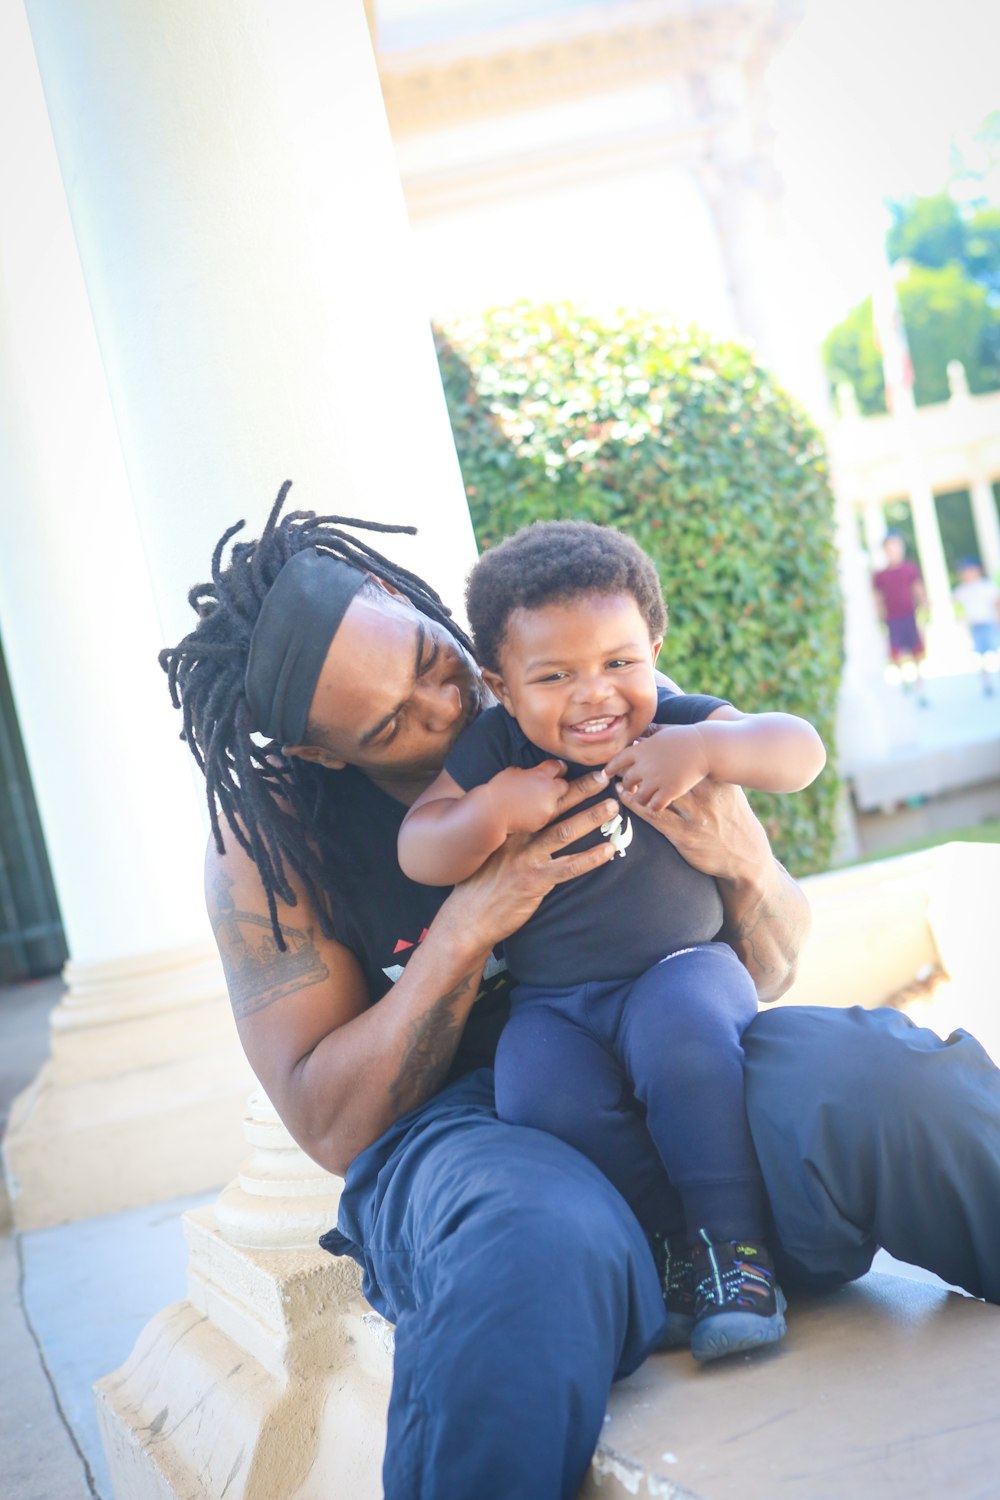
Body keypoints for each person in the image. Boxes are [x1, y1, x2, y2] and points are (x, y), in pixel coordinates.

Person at [161, 484, 1000, 1500]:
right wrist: (471, 922)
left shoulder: (574, 689)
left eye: (434, 661)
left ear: (406, 596)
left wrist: (746, 866)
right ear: (319, 751)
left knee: (890, 1081)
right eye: (391, 723)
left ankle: (718, 1254)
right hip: (483, 1129)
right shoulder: (267, 851)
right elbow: (332, 1124)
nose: (450, 704)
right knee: (528, 1249)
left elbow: (769, 964)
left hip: (674, 1055)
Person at [398, 521, 826, 1362]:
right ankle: (673, 1253)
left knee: (684, 1045)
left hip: (682, 968)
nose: (595, 693)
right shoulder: (497, 750)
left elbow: (800, 750)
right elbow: (420, 843)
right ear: (502, 685)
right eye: (554, 676)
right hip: (555, 1003)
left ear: (654, 649)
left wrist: (705, 747)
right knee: (534, 1092)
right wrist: (487, 812)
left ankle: (733, 1249)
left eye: (619, 663)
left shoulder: (676, 725)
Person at [873, 531, 928, 703]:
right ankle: (904, 680)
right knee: (895, 653)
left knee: (917, 652)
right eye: (889, 547)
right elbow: (878, 598)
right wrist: (879, 618)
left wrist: (925, 606)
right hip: (892, 618)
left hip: (909, 615)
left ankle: (920, 686)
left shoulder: (909, 568)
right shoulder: (880, 575)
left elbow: (917, 588)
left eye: (896, 546)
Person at [953, 556, 1000, 696]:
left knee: (995, 652)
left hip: (989, 623)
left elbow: (996, 604)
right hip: (974, 626)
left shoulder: (987, 586)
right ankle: (987, 683)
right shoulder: (962, 590)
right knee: (980, 657)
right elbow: (957, 606)